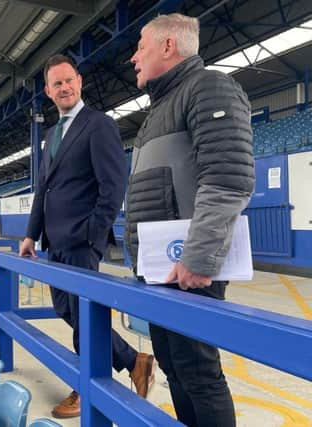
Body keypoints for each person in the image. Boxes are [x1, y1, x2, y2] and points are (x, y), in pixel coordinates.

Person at [126, 13, 254, 426]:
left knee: (198, 371)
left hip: (189, 269)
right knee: (174, 365)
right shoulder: (158, 110)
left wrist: (200, 257)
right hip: (161, 271)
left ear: (168, 47)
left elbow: (229, 176)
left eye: (140, 46)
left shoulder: (209, 87)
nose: (133, 57)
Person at [19, 54, 156, 419]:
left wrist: (92, 235)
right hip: (54, 242)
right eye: (56, 84)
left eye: (68, 81)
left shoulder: (99, 125)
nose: (64, 88)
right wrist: (31, 235)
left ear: (79, 82)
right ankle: (135, 360)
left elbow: (113, 187)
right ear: (48, 92)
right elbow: (43, 190)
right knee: (68, 310)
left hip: (81, 241)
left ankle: (85, 387)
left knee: (83, 316)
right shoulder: (51, 136)